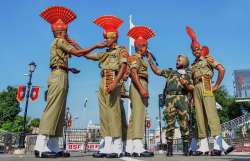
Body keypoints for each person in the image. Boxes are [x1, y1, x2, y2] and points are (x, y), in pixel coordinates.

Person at [34, 6, 106, 158]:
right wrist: (95, 45)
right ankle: (40, 145)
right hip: (58, 76)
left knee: (60, 112)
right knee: (53, 109)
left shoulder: (59, 42)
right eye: (65, 31)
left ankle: (53, 145)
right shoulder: (59, 41)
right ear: (60, 32)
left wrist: (69, 69)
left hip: (63, 73)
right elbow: (78, 53)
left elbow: (63, 59)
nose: (67, 33)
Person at [84, 15, 128, 158]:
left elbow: (123, 66)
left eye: (108, 37)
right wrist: (74, 44)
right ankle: (107, 145)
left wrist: (115, 83)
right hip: (102, 80)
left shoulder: (121, 50)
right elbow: (87, 56)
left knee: (113, 112)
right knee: (104, 113)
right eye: (105, 37)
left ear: (114, 37)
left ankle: (117, 145)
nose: (105, 40)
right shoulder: (104, 53)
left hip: (113, 78)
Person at [186, 26, 234, 156]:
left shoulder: (208, 58)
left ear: (201, 49)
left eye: (197, 49)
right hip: (196, 88)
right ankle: (203, 146)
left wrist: (217, 85)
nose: (196, 51)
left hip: (206, 84)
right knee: (199, 116)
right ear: (191, 51)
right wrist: (191, 99)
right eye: (193, 50)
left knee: (211, 114)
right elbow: (191, 82)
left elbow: (221, 69)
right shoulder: (193, 65)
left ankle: (219, 144)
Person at [148, 54, 194, 156]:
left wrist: (186, 84)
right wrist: (151, 61)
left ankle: (186, 148)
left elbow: (192, 88)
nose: (177, 61)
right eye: (176, 60)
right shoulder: (170, 72)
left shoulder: (189, 73)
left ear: (185, 62)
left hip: (183, 98)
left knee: (184, 124)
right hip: (170, 99)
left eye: (179, 60)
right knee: (170, 124)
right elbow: (157, 71)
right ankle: (169, 149)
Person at [126, 26, 155, 157]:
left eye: (146, 46)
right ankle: (138, 145)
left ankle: (130, 145)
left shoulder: (141, 58)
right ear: (138, 46)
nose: (146, 48)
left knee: (134, 116)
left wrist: (149, 60)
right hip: (139, 84)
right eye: (144, 46)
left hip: (141, 83)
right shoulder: (135, 57)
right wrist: (142, 89)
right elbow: (133, 73)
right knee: (139, 114)